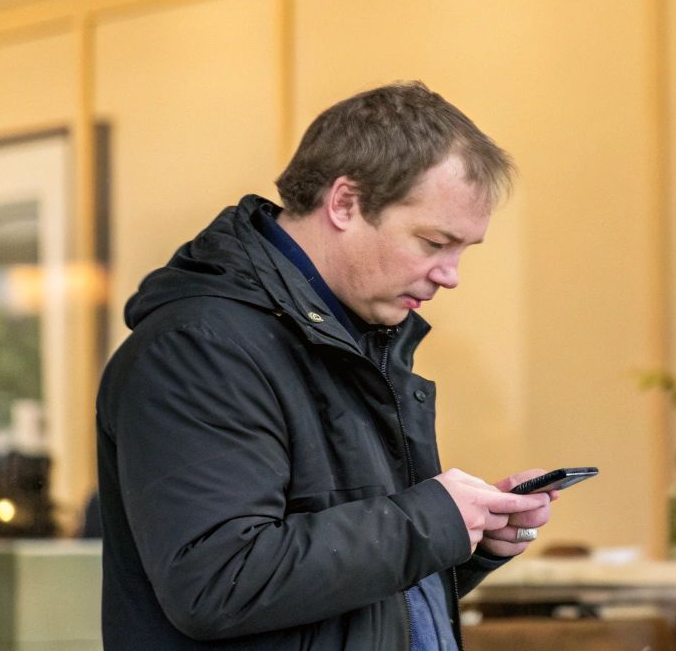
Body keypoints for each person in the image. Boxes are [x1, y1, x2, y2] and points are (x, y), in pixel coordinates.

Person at [96, 82, 557, 649]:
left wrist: (467, 539)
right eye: (434, 242)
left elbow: (344, 601)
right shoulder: (197, 348)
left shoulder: (350, 337)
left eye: (463, 250)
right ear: (344, 203)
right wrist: (431, 521)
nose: (451, 274)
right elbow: (219, 583)